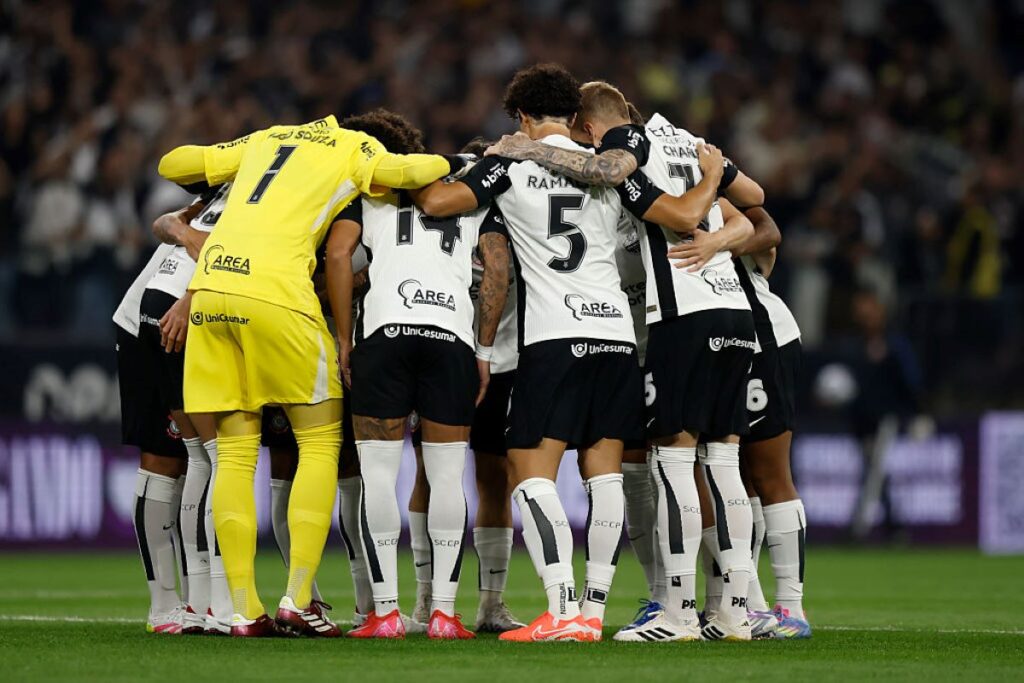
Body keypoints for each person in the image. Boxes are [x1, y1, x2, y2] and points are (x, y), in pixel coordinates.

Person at [415, 64, 728, 642]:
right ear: (574, 118)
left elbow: (439, 203)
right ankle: (591, 611)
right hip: (615, 336)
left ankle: (559, 607)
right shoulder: (609, 171)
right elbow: (678, 213)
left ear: (524, 117)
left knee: (528, 475)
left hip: (554, 337)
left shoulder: (507, 163)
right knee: (603, 474)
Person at [157, 115, 455, 637]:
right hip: (279, 294)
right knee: (318, 442)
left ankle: (243, 610)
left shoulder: (267, 138)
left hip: (212, 290)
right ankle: (298, 599)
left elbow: (172, 163)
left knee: (234, 451)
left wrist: (228, 156)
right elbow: (423, 168)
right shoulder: (352, 146)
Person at [487, 81, 759, 641]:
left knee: (667, 465)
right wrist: (719, 221)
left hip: (661, 320)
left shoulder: (625, 163)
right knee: (708, 468)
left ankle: (659, 611)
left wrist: (527, 149)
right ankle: (730, 608)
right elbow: (754, 208)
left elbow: (670, 207)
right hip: (693, 318)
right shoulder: (684, 143)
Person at [324, 110, 509, 640]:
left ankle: (384, 613)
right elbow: (496, 270)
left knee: (379, 476)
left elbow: (339, 254)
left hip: (384, 336)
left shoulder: (369, 190)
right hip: (449, 337)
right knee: (448, 476)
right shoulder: (471, 193)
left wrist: (344, 338)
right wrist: (483, 349)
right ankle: (445, 615)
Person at [113, 240, 189, 634]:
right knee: (167, 458)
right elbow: (169, 221)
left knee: (200, 457)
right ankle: (164, 605)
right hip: (150, 320)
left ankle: (199, 603)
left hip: (200, 317)